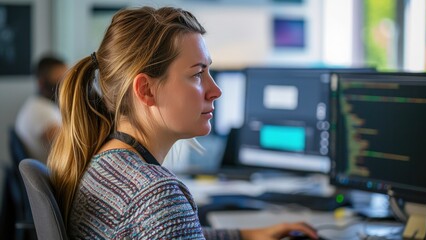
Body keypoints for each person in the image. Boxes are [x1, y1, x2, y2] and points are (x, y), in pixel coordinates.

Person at [48, 6, 318, 240]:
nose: (216, 90)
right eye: (198, 74)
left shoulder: (104, 162)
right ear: (146, 90)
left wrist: (245, 235)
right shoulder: (155, 195)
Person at [15, 55, 67, 163]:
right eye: (60, 80)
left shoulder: (37, 104)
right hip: (53, 175)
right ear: (42, 83)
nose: (66, 85)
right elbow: (68, 145)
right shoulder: (41, 112)